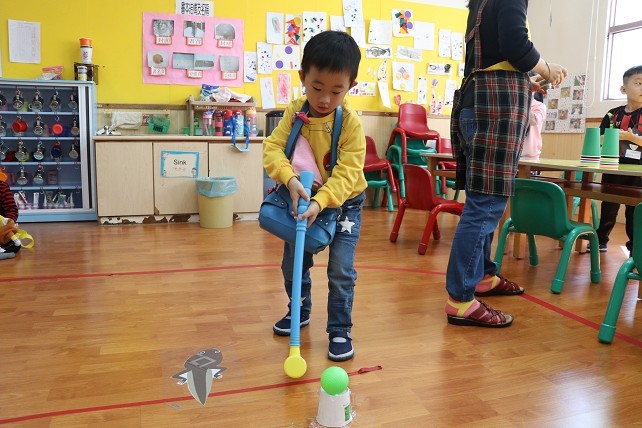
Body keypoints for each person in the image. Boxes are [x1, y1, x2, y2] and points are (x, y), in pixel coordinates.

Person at [446, 0, 568, 327]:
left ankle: (482, 276)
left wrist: (526, 79)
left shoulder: (480, 3)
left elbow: (492, 57)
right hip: (495, 109)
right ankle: (460, 300)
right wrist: (546, 68)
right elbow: (517, 46)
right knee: (485, 205)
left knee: (484, 202)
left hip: (477, 102)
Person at [263, 31, 366, 361]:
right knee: (293, 263)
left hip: (345, 203)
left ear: (350, 86)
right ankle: (299, 310)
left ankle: (339, 329)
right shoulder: (295, 112)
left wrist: (321, 202)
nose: (324, 99)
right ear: (302, 77)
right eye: (316, 87)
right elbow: (273, 148)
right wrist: (290, 180)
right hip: (302, 197)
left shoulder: (350, 123)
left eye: (336, 91)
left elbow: (348, 173)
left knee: (341, 270)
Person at [593, 65, 642, 254]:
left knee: (634, 211)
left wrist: (632, 138)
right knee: (608, 206)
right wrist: (610, 138)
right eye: (638, 83)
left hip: (638, 171)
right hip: (612, 167)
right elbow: (598, 138)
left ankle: (634, 248)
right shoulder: (612, 114)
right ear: (624, 89)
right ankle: (601, 239)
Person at [521, 89, 546, 160]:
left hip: (530, 156)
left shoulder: (540, 106)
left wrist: (524, 102)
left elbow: (533, 121)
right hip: (511, 152)